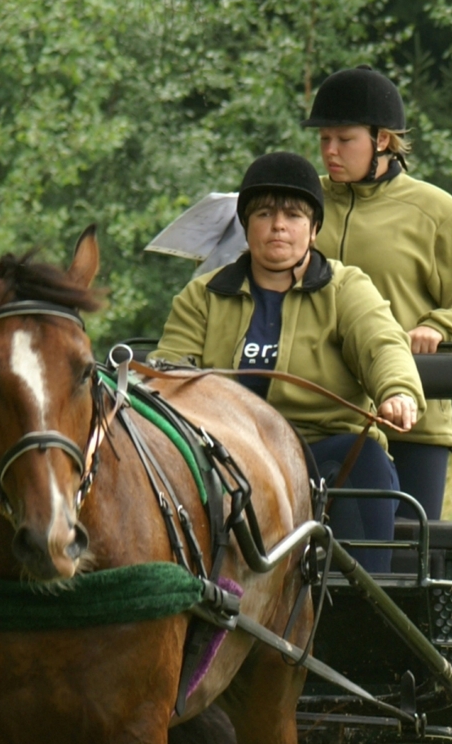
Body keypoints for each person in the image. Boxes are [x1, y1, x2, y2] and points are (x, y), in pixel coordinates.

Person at [154, 152, 424, 573]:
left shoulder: (346, 287)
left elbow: (382, 344)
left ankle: (366, 604)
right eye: (264, 213)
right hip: (226, 454)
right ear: (247, 227)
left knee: (367, 458)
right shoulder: (203, 295)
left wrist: (397, 390)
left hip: (321, 448)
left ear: (313, 229)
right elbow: (170, 371)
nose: (278, 225)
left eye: (294, 215)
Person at [306, 66, 452, 519]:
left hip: (411, 423)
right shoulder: (303, 205)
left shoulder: (436, 211)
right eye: (324, 140)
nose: (330, 152)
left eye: (344, 139)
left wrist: (441, 326)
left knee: (405, 568)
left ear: (382, 140)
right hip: (323, 419)